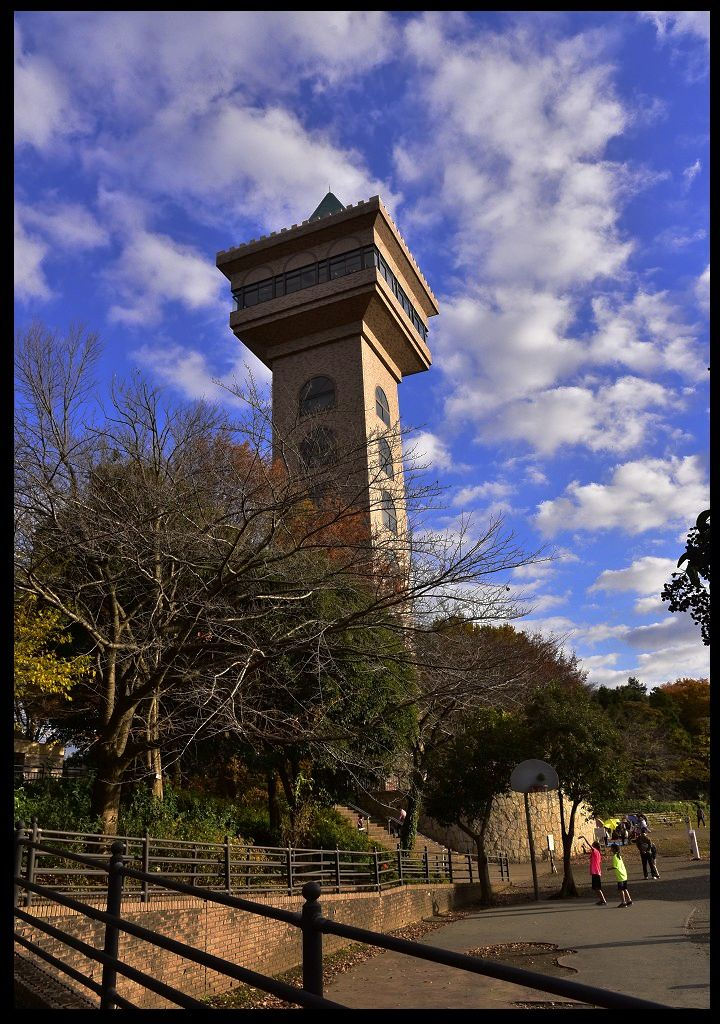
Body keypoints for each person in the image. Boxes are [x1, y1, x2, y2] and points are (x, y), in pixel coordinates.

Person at [581, 838, 607, 905]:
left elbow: (589, 845)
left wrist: (584, 838)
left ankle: (603, 900)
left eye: (593, 845)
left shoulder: (595, 851)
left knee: (597, 888)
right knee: (596, 888)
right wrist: (583, 847)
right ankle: (601, 900)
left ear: (594, 846)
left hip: (596, 872)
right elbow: (586, 853)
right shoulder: (595, 852)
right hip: (595, 872)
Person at [610, 843, 633, 907]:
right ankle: (629, 900)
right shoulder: (619, 855)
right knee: (625, 888)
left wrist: (609, 868)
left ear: (614, 849)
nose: (610, 849)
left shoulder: (615, 857)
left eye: (611, 848)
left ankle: (623, 902)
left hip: (620, 875)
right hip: (624, 874)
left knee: (621, 889)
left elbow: (615, 866)